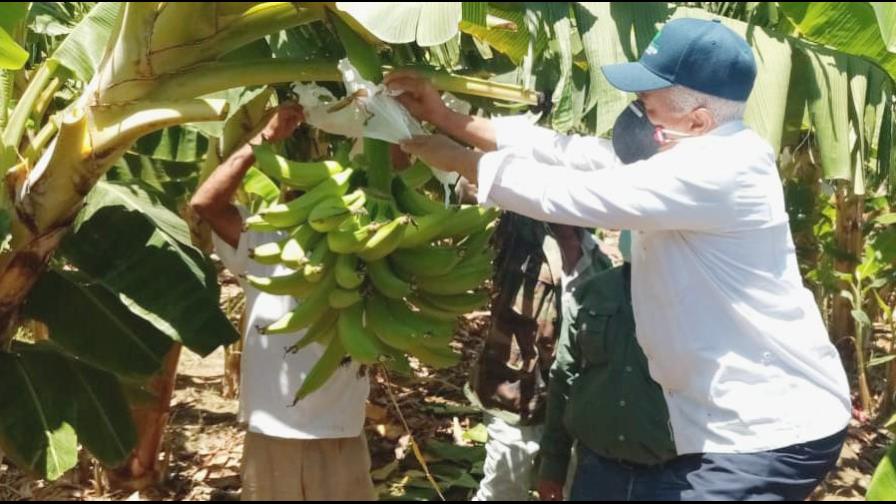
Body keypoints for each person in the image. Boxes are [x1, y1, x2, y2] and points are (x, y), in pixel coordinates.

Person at [389, 17, 850, 500]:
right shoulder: (686, 149)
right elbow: (572, 154)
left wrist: (461, 160)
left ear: (697, 119)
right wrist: (448, 118)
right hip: (710, 421)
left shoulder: (720, 169)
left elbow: (574, 192)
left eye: (648, 102)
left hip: (768, 430)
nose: (636, 110)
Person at [190, 103, 375, 501]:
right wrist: (262, 141)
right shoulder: (263, 236)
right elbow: (204, 204)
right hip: (273, 427)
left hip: (340, 428)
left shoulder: (367, 242)